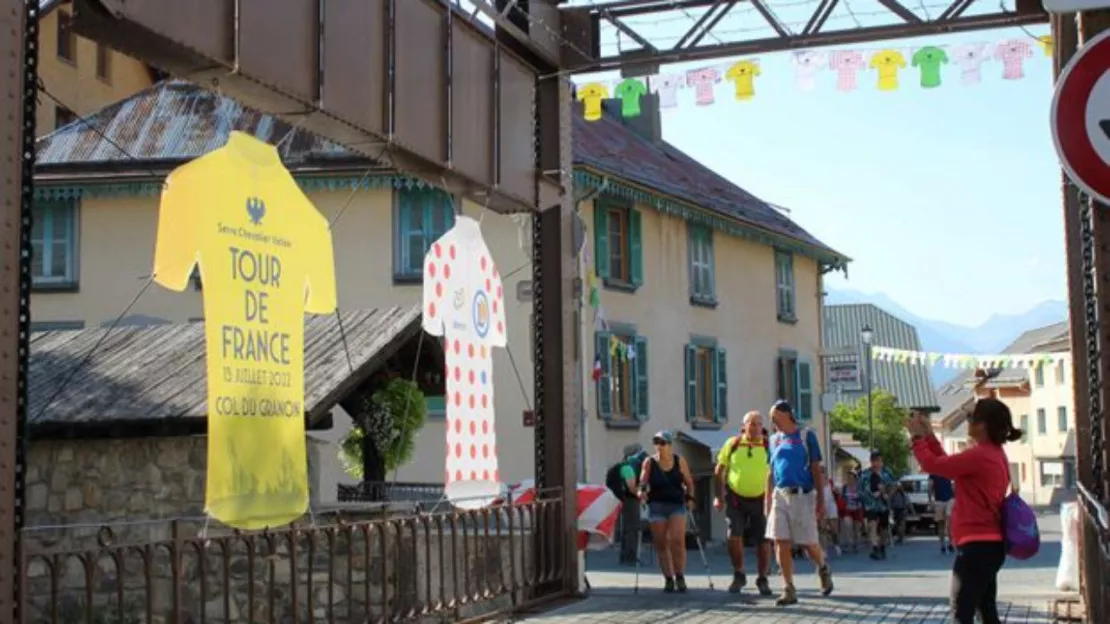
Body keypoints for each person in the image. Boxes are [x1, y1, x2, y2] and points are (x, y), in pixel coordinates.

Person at [907, 398, 1022, 624]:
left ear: (983, 425)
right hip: (990, 544)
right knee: (986, 609)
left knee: (961, 612)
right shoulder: (994, 453)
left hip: (976, 546)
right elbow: (947, 464)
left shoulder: (979, 455)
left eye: (971, 417)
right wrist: (929, 436)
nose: (967, 421)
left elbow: (934, 465)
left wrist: (917, 438)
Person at [764, 400, 834, 606]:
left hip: (803, 495)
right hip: (780, 494)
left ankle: (822, 566)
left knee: (808, 542)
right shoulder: (774, 439)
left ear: (787, 414)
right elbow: (770, 471)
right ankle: (788, 588)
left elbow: (815, 469)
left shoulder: (806, 436)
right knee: (780, 540)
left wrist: (821, 500)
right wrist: (767, 499)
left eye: (775, 416)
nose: (773, 420)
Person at [713, 411, 773, 595]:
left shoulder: (768, 445)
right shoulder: (733, 444)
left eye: (759, 424)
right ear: (744, 425)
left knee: (763, 540)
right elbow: (719, 470)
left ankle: (762, 578)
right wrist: (719, 496)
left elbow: (776, 471)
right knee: (734, 536)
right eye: (752, 424)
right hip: (736, 498)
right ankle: (739, 574)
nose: (755, 428)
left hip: (761, 498)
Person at [638, 430, 696, 593]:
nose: (659, 446)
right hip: (656, 505)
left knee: (677, 541)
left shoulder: (679, 461)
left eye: (662, 443)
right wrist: (641, 492)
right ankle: (668, 579)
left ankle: (680, 576)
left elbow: (689, 482)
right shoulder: (649, 462)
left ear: (670, 445)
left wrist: (690, 499)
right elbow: (642, 481)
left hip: (676, 504)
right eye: (656, 443)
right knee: (661, 543)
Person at [859, 451, 896, 560]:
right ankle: (875, 547)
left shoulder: (886, 473)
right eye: (875, 461)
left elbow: (895, 484)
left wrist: (888, 495)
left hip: (883, 505)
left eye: (879, 461)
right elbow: (860, 489)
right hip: (871, 505)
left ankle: (882, 546)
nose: (877, 463)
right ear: (871, 462)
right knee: (872, 525)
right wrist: (868, 495)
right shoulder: (865, 474)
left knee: (884, 528)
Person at [613, 443, 645, 564]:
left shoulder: (623, 466)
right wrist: (640, 495)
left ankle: (624, 556)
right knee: (632, 528)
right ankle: (630, 557)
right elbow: (631, 486)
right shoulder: (629, 468)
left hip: (624, 499)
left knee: (627, 528)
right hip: (630, 500)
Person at [929, 472, 956, 554]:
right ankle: (942, 545)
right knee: (941, 524)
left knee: (950, 522)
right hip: (939, 500)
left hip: (950, 500)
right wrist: (930, 501)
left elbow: (954, 485)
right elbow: (930, 487)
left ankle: (951, 543)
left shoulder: (949, 469)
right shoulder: (933, 472)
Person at [840, 470, 864, 552]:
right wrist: (845, 498)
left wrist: (854, 496)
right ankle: (849, 542)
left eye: (851, 477)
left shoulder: (859, 486)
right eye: (848, 478)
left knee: (856, 528)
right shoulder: (845, 487)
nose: (850, 479)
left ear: (855, 478)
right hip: (848, 508)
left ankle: (856, 544)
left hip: (857, 508)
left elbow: (861, 496)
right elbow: (843, 497)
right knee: (848, 525)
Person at [822, 477, 841, 556]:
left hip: (831, 506)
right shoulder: (814, 483)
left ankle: (836, 545)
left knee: (834, 529)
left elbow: (838, 493)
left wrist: (836, 491)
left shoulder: (831, 483)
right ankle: (824, 550)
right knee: (823, 529)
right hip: (821, 506)